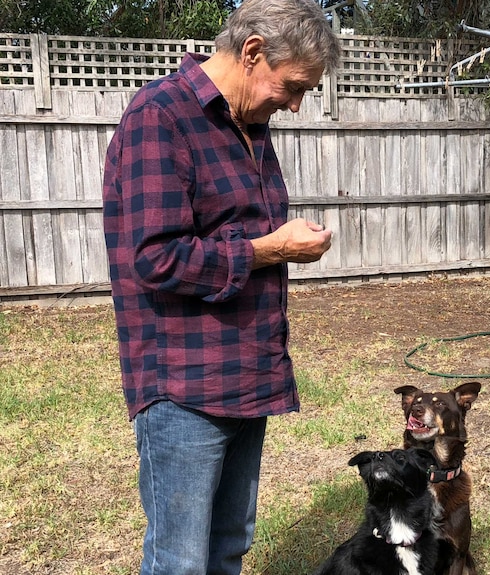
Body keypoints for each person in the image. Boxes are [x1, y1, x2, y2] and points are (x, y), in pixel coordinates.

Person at [101, 1, 341, 573]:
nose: (295, 103)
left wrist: (275, 244)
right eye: (293, 86)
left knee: (228, 545)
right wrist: (274, 248)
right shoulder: (160, 117)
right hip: (185, 384)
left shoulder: (250, 125)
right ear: (253, 52)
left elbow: (236, 238)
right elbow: (154, 258)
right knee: (180, 560)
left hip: (247, 372)